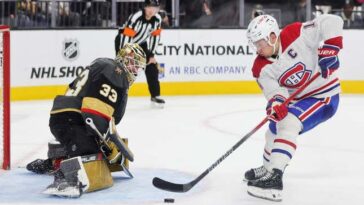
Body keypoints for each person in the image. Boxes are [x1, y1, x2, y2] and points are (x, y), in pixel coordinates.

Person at [26, 43, 146, 198]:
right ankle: (66, 179)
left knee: (95, 151)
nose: (136, 71)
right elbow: (94, 114)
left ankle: (53, 163)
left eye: (139, 68)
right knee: (93, 157)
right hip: (73, 120)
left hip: (67, 118)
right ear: (125, 58)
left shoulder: (104, 64)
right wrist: (108, 143)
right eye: (135, 65)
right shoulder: (116, 72)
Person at [245, 14, 343, 201]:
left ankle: (274, 178)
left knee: (289, 123)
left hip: (324, 96)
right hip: (300, 100)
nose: (257, 49)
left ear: (272, 37)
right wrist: (276, 103)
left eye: (259, 43)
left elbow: (332, 20)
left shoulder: (295, 33)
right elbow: (275, 92)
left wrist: (332, 46)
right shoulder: (260, 67)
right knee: (273, 128)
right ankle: (266, 170)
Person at [114, 0, 165, 108]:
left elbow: (155, 37)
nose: (152, 10)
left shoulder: (157, 19)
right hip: (124, 42)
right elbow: (126, 36)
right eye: (149, 7)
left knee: (152, 66)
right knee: (123, 69)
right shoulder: (136, 17)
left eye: (154, 8)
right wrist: (124, 54)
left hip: (141, 44)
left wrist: (151, 55)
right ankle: (117, 95)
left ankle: (155, 95)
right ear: (145, 7)